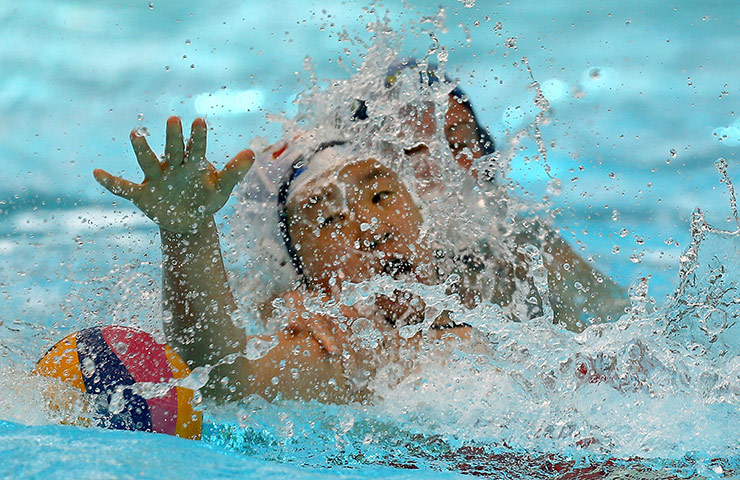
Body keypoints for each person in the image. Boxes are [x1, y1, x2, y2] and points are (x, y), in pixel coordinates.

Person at [92, 60, 627, 404]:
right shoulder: (351, 353)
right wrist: (188, 236)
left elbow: (629, 337)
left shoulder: (507, 267)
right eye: (328, 219)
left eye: (381, 194)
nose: (370, 227)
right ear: (299, 271)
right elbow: (227, 381)